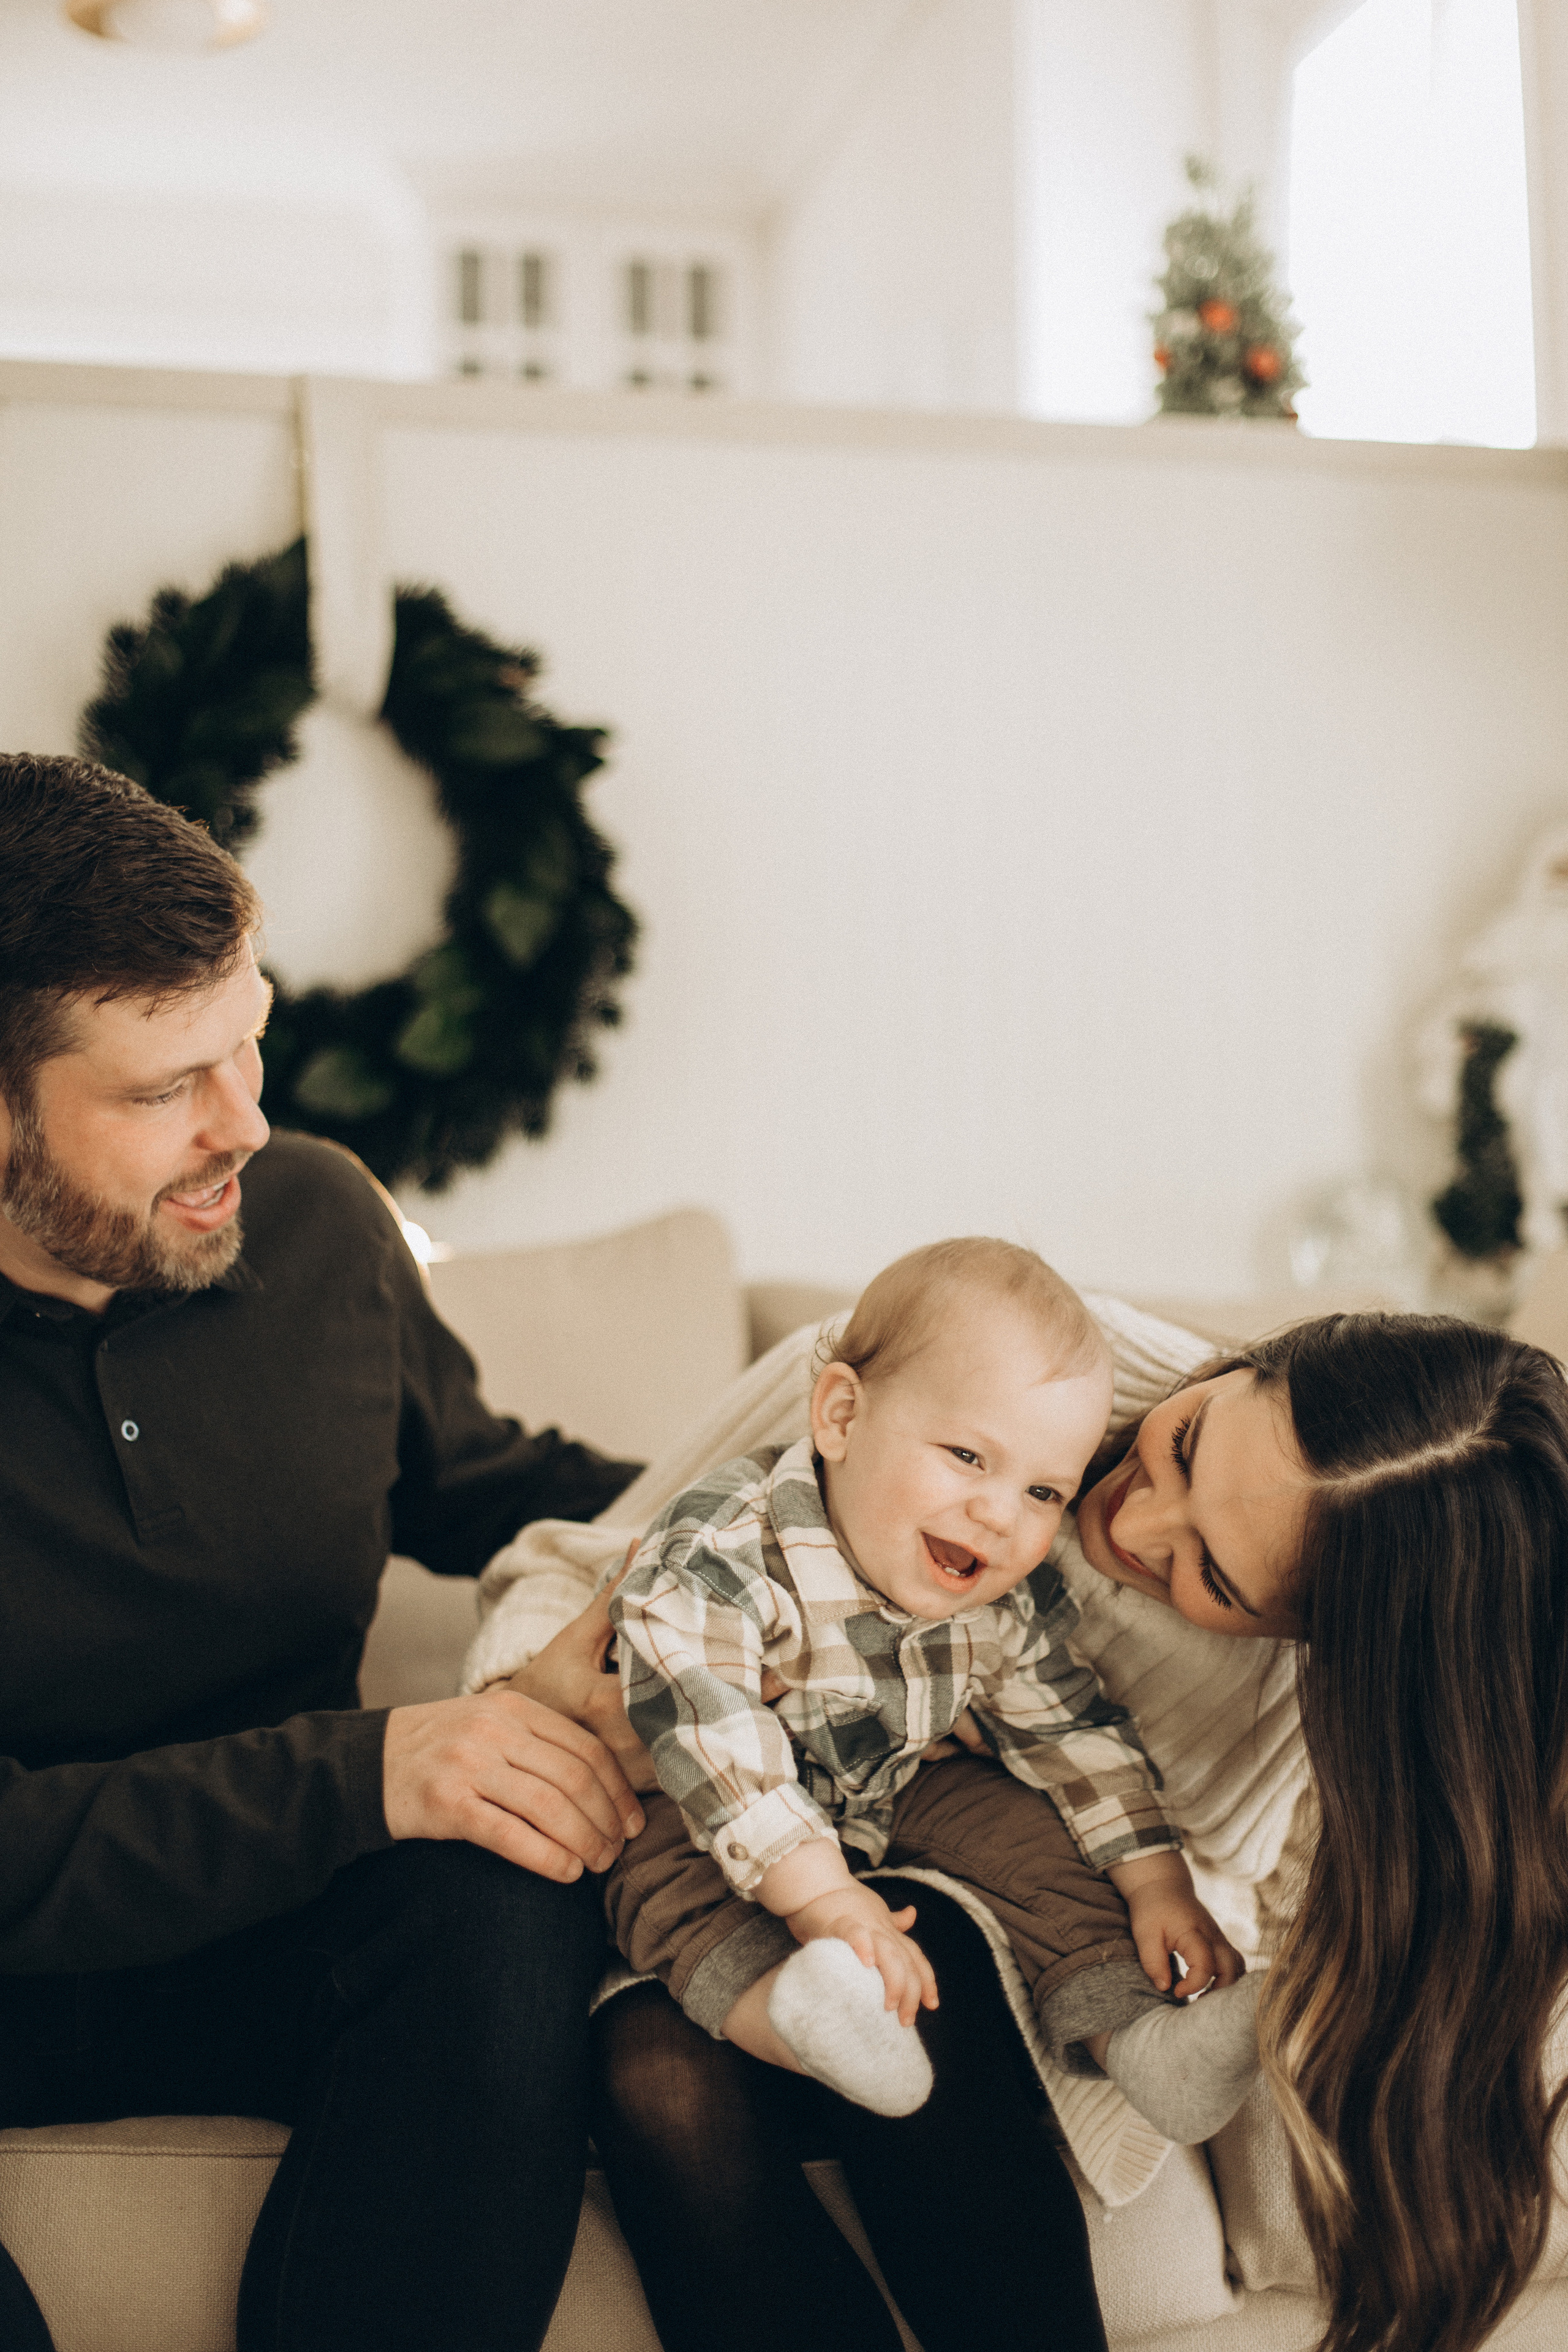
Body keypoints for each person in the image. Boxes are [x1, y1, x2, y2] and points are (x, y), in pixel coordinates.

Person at [519, 1305, 1568, 2352]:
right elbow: (584, 1564)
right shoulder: (955, 1367)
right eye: (1186, 1446)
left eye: (1214, 1577)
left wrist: (1163, 1907)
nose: (1131, 1525)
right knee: (650, 2069)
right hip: (713, 1812)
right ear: (1241, 1365)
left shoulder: (1318, 1696)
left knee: (918, 1963)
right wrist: (561, 1692)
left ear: (1305, 1637)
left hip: (1005, 1912)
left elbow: (1235, 1892)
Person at [0, 753, 650, 2352]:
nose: (252, 1124)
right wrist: (364, 1773)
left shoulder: (313, 1226)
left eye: (253, 1042)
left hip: (265, 1945)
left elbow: (484, 1483)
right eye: (167, 1090)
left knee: (507, 1886)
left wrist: (816, 1500)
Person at [606, 1238, 1262, 2146]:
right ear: (839, 1417)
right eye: (966, 1456)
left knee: (1035, 1833)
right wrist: (826, 1901)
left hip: (893, 1780)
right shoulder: (725, 1554)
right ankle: (798, 2015)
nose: (1000, 1514)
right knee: (658, 1875)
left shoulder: (1002, 1594)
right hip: (709, 1802)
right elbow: (719, 1746)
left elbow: (1070, 1730)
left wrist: (1158, 1883)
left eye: (1042, 1491)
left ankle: (1138, 2037)